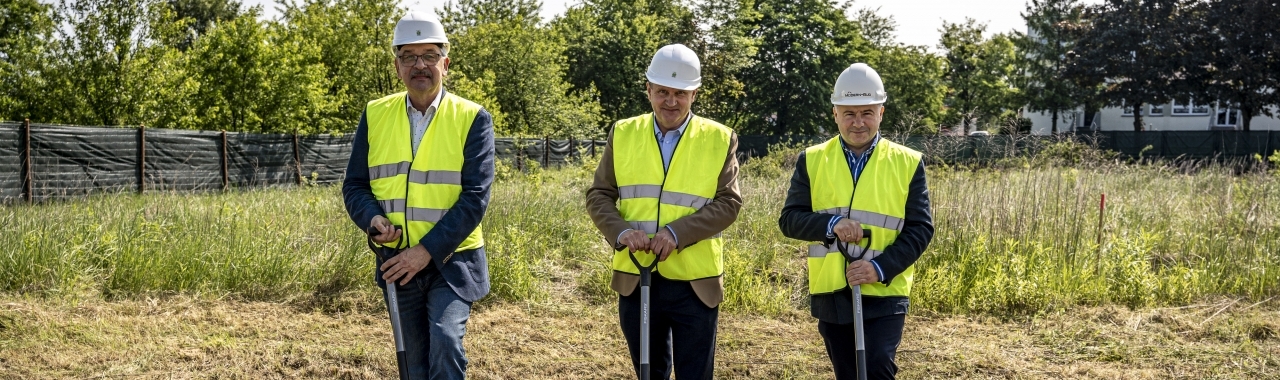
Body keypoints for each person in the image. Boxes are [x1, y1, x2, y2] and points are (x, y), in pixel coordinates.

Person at [341, 11, 494, 380]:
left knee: (445, 342)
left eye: (428, 55)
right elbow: (355, 185)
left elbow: (475, 197)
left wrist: (423, 252)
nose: (419, 65)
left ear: (446, 62)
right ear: (397, 66)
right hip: (397, 264)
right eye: (409, 56)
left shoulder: (472, 117)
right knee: (411, 362)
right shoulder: (375, 114)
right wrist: (372, 219)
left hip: (452, 263)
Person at [585, 43, 742, 380]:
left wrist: (676, 234)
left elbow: (729, 203)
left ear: (695, 94)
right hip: (636, 274)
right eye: (663, 92)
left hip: (696, 283)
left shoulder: (720, 138)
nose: (671, 101)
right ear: (649, 90)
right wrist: (622, 232)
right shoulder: (623, 133)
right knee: (648, 373)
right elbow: (599, 194)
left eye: (680, 93)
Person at [777, 63, 934, 380]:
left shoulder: (907, 162)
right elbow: (790, 220)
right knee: (848, 372)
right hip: (832, 290)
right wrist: (830, 224)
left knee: (877, 366)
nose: (858, 122)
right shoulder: (813, 159)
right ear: (835, 113)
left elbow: (921, 229)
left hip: (885, 291)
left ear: (881, 112)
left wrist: (878, 268)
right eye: (849, 113)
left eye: (867, 112)